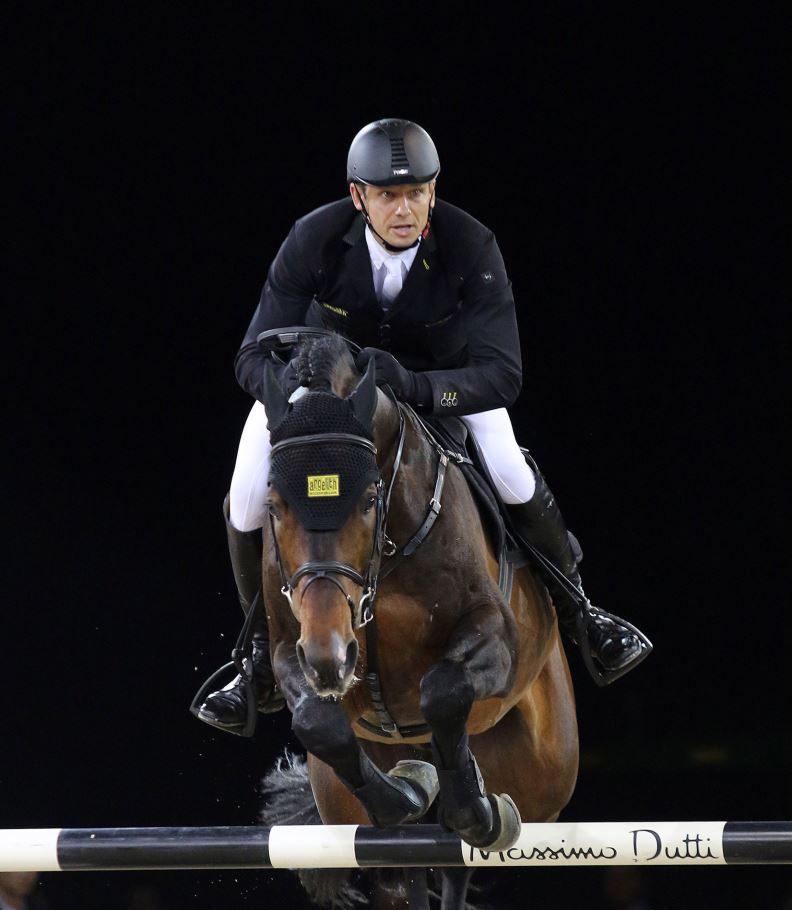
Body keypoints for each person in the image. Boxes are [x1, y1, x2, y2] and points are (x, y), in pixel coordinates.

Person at [195, 118, 651, 736]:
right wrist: (297, 399)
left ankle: (582, 615)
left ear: (434, 190)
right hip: (326, 397)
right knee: (248, 497)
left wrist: (416, 387)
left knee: (511, 471)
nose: (404, 209)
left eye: (416, 193)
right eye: (387, 195)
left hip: (441, 383)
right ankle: (257, 663)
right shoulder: (314, 238)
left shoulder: (471, 245)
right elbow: (252, 355)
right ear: (358, 196)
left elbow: (503, 373)